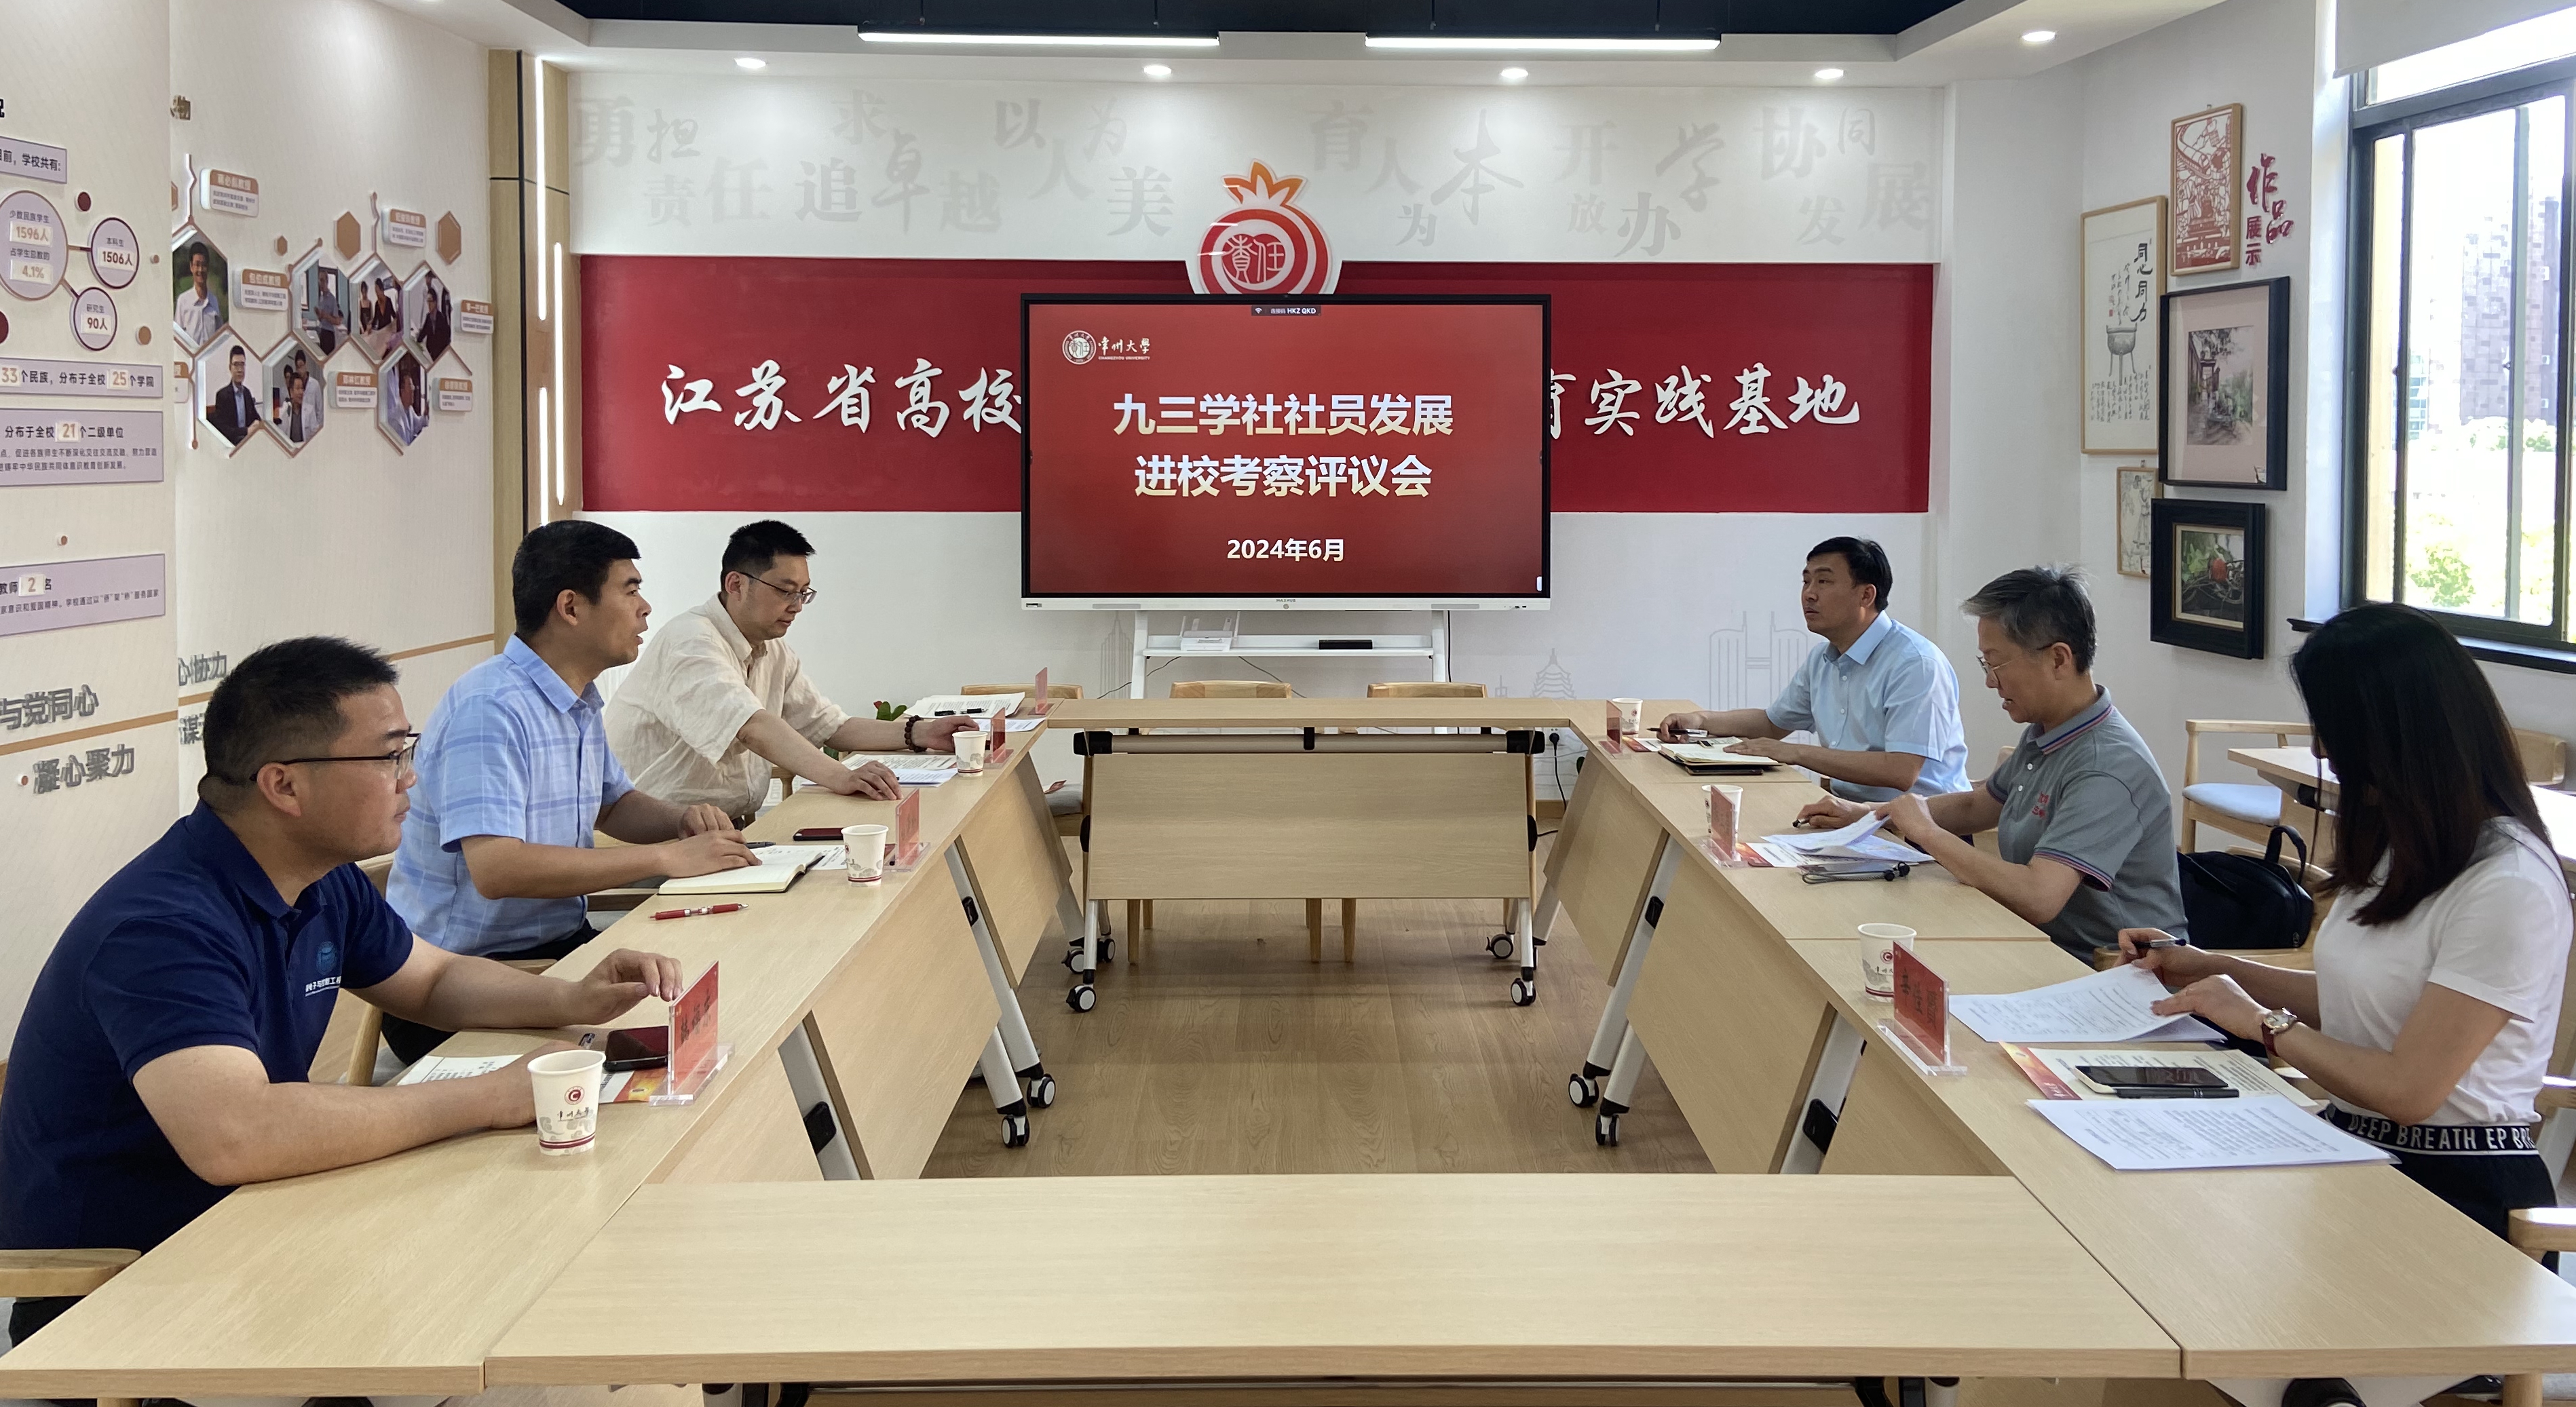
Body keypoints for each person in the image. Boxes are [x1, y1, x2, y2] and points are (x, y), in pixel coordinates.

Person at [0, 638, 685, 1346]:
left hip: (264, 1224)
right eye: (388, 757)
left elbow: (433, 979)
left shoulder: (321, 877)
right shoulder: (160, 926)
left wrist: (572, 1000)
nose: (410, 779)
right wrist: (489, 1097)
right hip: (126, 1294)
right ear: (284, 786)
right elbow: (236, 1135)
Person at [2125, 604, 2569, 1246]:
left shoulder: (2508, 882)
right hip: (2352, 1146)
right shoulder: (2407, 847)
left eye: (2333, 729)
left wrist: (2263, 1024)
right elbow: (2363, 1000)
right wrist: (2206, 966)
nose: (2321, 750)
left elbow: (2409, 1090)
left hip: (2456, 1187)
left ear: (2398, 735)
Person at [385, 522, 755, 1062]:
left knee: (720, 1008)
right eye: (630, 590)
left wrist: (682, 821)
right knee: (667, 1052)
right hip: (463, 985)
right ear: (571, 607)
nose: (646, 608)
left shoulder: (575, 698)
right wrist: (664, 858)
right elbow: (498, 870)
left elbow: (614, 804)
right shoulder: (491, 708)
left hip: (556, 954)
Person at [1797, 565, 2188, 958]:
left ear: (2058, 659)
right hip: (2033, 939)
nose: (1989, 681)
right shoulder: (2049, 730)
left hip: (2102, 965)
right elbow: (1976, 806)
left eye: (1996, 664)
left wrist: (1927, 834)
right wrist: (1867, 815)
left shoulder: (2106, 766)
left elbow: (2039, 897)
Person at [607, 520, 977, 824]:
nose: (797, 606)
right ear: (736, 584)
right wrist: (842, 776)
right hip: (658, 840)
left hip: (725, 829)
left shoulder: (771, 648)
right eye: (786, 592)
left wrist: (920, 732)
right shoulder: (690, 642)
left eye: (804, 593)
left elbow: (829, 726)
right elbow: (750, 727)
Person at [1657, 536, 1969, 802]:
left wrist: (1797, 753)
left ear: (1866, 595)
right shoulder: (1823, 657)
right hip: (1850, 813)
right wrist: (1701, 721)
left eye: (1824, 581)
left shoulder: (1915, 664)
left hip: (1925, 829)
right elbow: (1772, 723)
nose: (1809, 593)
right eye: (1806, 581)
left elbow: (1901, 771)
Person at [207, 344, 256, 446]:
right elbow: (224, 429)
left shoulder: (247, 393)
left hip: (249, 444)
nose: (240, 370)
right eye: (236, 365)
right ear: (230, 368)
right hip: (231, 445)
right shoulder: (222, 395)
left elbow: (256, 418)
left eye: (242, 365)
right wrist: (246, 431)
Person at [174, 242, 222, 346]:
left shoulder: (214, 301)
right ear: (191, 267)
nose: (200, 270)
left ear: (208, 267)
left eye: (203, 265)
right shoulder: (183, 301)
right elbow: (177, 338)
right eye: (197, 265)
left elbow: (219, 336)